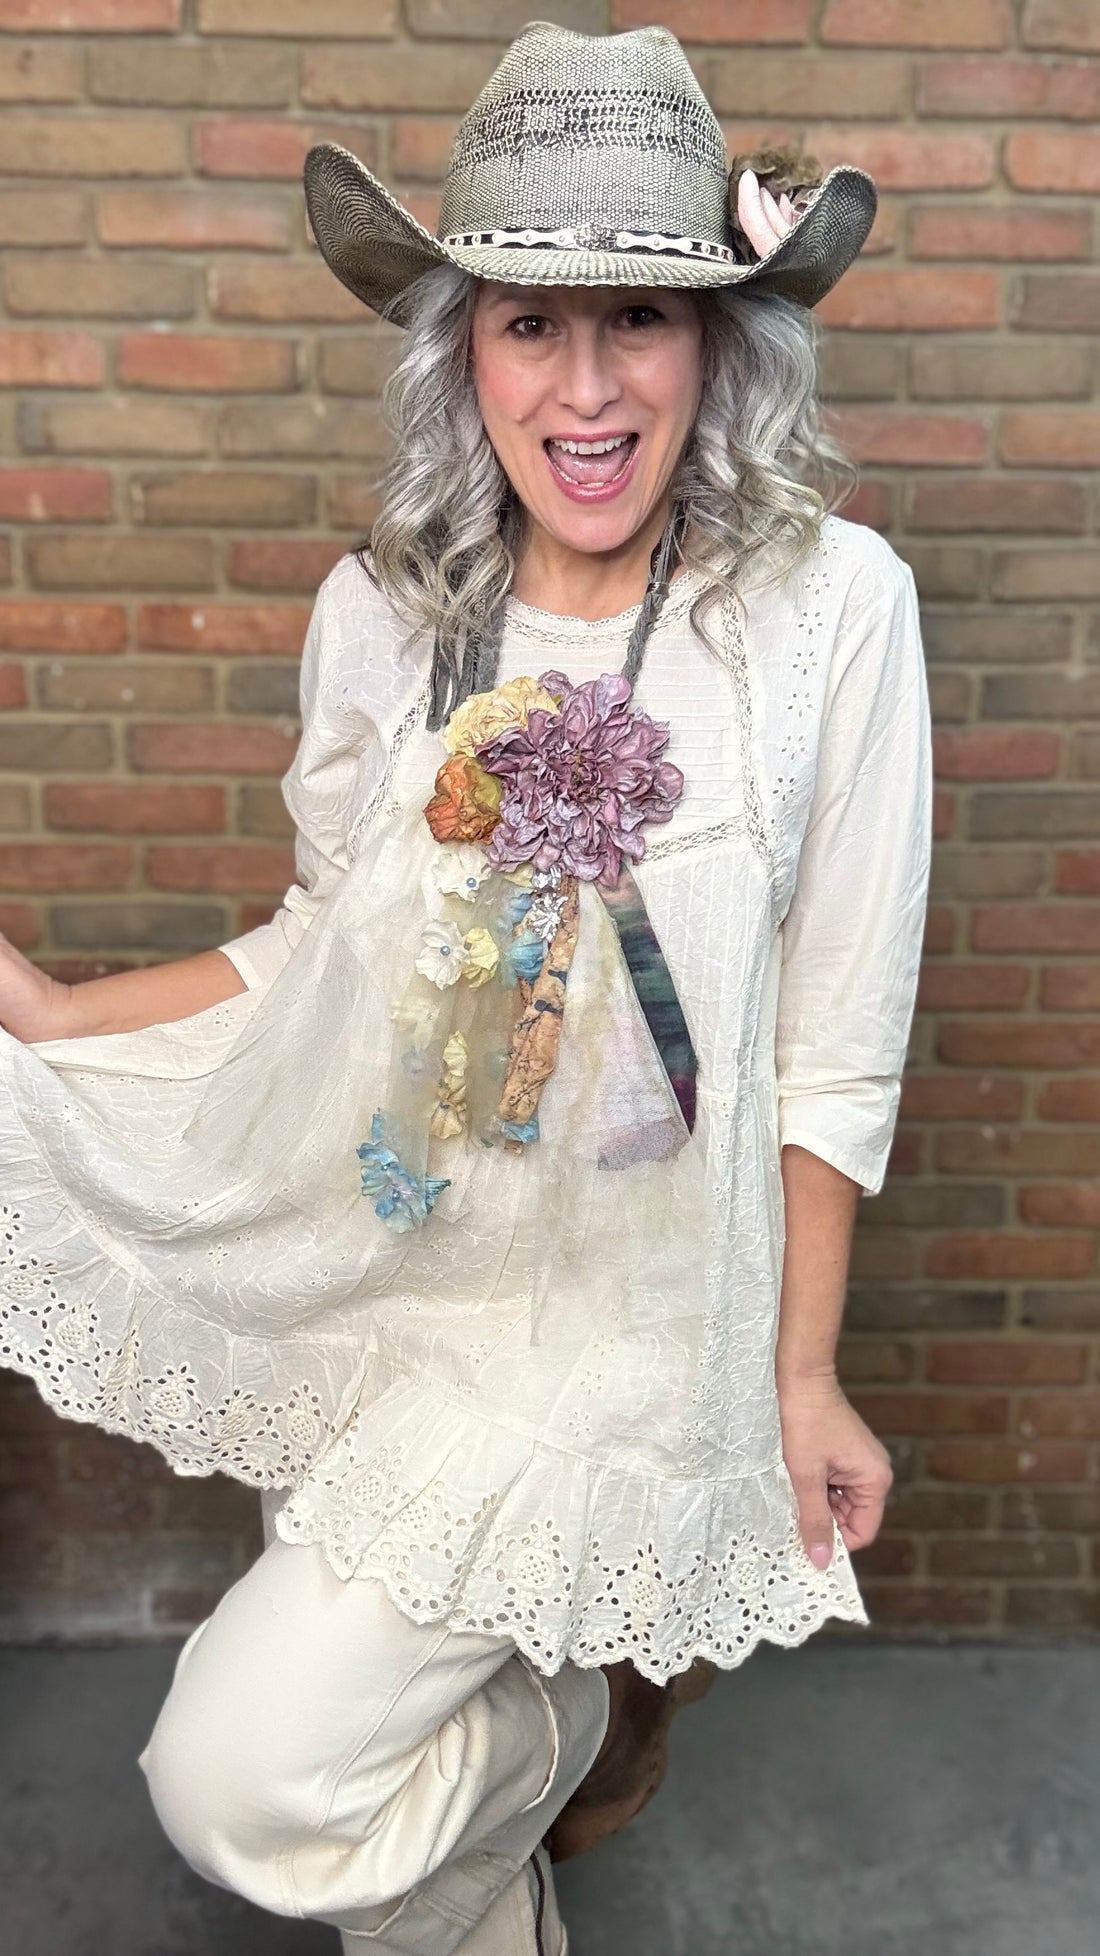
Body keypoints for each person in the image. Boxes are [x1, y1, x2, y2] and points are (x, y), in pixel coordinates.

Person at [0, 21, 933, 1955]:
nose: (585, 390)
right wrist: (71, 1022)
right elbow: (327, 941)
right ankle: (550, 1769)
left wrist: (800, 1373)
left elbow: (833, 1044)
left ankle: (579, 1698)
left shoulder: (833, 611)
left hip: (616, 1328)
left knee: (251, 1779)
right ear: (462, 351)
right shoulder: (387, 609)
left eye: (641, 325)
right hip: (381, 1255)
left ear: (720, 345)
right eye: (529, 325)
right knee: (411, 1881)